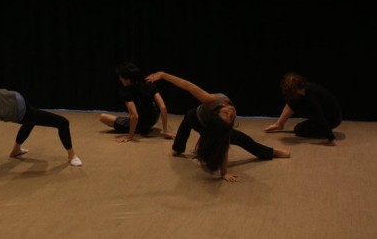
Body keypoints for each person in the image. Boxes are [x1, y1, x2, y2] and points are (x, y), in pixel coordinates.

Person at [145, 71, 290, 183]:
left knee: (244, 139)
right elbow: (188, 86)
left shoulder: (218, 113)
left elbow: (224, 147)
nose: (231, 112)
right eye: (228, 114)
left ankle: (271, 152)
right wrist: (163, 75)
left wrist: (224, 173)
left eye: (228, 114)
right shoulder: (214, 105)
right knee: (187, 120)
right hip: (196, 118)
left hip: (214, 127)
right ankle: (178, 148)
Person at [99, 62, 175, 143]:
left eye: (121, 77)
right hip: (153, 119)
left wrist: (130, 136)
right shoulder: (149, 85)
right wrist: (165, 131)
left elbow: (135, 116)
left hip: (140, 125)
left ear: (127, 80)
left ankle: (137, 128)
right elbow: (163, 108)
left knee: (103, 117)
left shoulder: (125, 91)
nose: (119, 79)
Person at [264, 72, 342, 146]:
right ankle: (279, 124)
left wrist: (331, 139)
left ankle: (325, 134)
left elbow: (320, 116)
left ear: (297, 88)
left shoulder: (311, 97)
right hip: (326, 112)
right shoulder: (304, 88)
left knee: (298, 130)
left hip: (332, 119)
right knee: (293, 100)